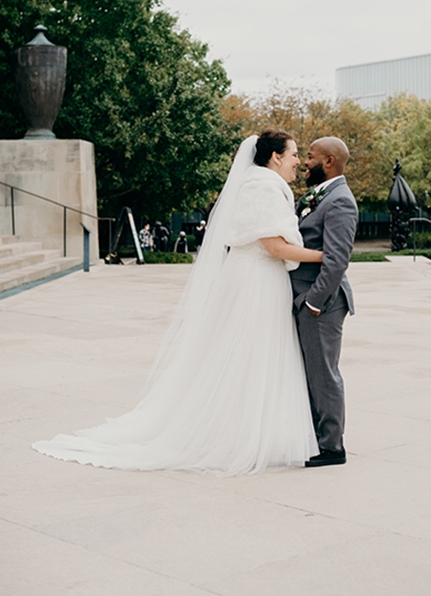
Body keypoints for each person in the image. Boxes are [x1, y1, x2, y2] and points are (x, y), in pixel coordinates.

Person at [32, 132, 320, 475]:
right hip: (257, 281)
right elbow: (274, 245)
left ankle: (250, 431)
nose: (298, 161)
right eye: (294, 154)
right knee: (250, 355)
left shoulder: (255, 183)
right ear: (274, 156)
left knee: (249, 355)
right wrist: (324, 255)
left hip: (253, 277)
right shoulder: (264, 187)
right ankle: (238, 436)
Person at [290, 137, 359, 467]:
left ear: (329, 161)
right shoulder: (319, 196)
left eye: (311, 156)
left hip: (323, 303)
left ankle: (332, 447)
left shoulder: (341, 202)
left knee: (323, 374)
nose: (305, 161)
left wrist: (313, 303)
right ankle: (316, 437)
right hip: (309, 300)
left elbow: (336, 260)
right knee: (312, 373)